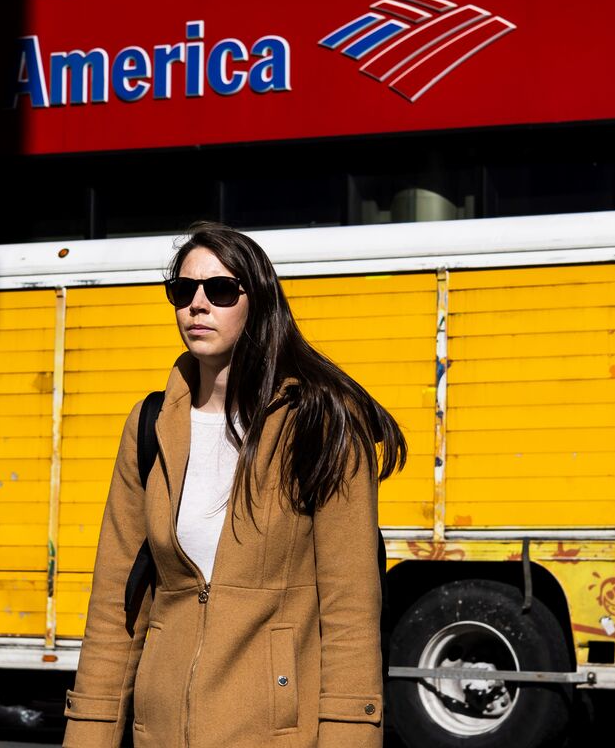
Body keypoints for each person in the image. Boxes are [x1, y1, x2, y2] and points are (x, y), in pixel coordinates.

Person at [62, 222, 406, 748]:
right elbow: (115, 606)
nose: (198, 305)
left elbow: (350, 613)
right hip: (161, 734)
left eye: (221, 290)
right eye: (184, 290)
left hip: (275, 734)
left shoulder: (320, 422)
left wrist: (350, 734)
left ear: (258, 302)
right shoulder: (150, 425)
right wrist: (89, 732)